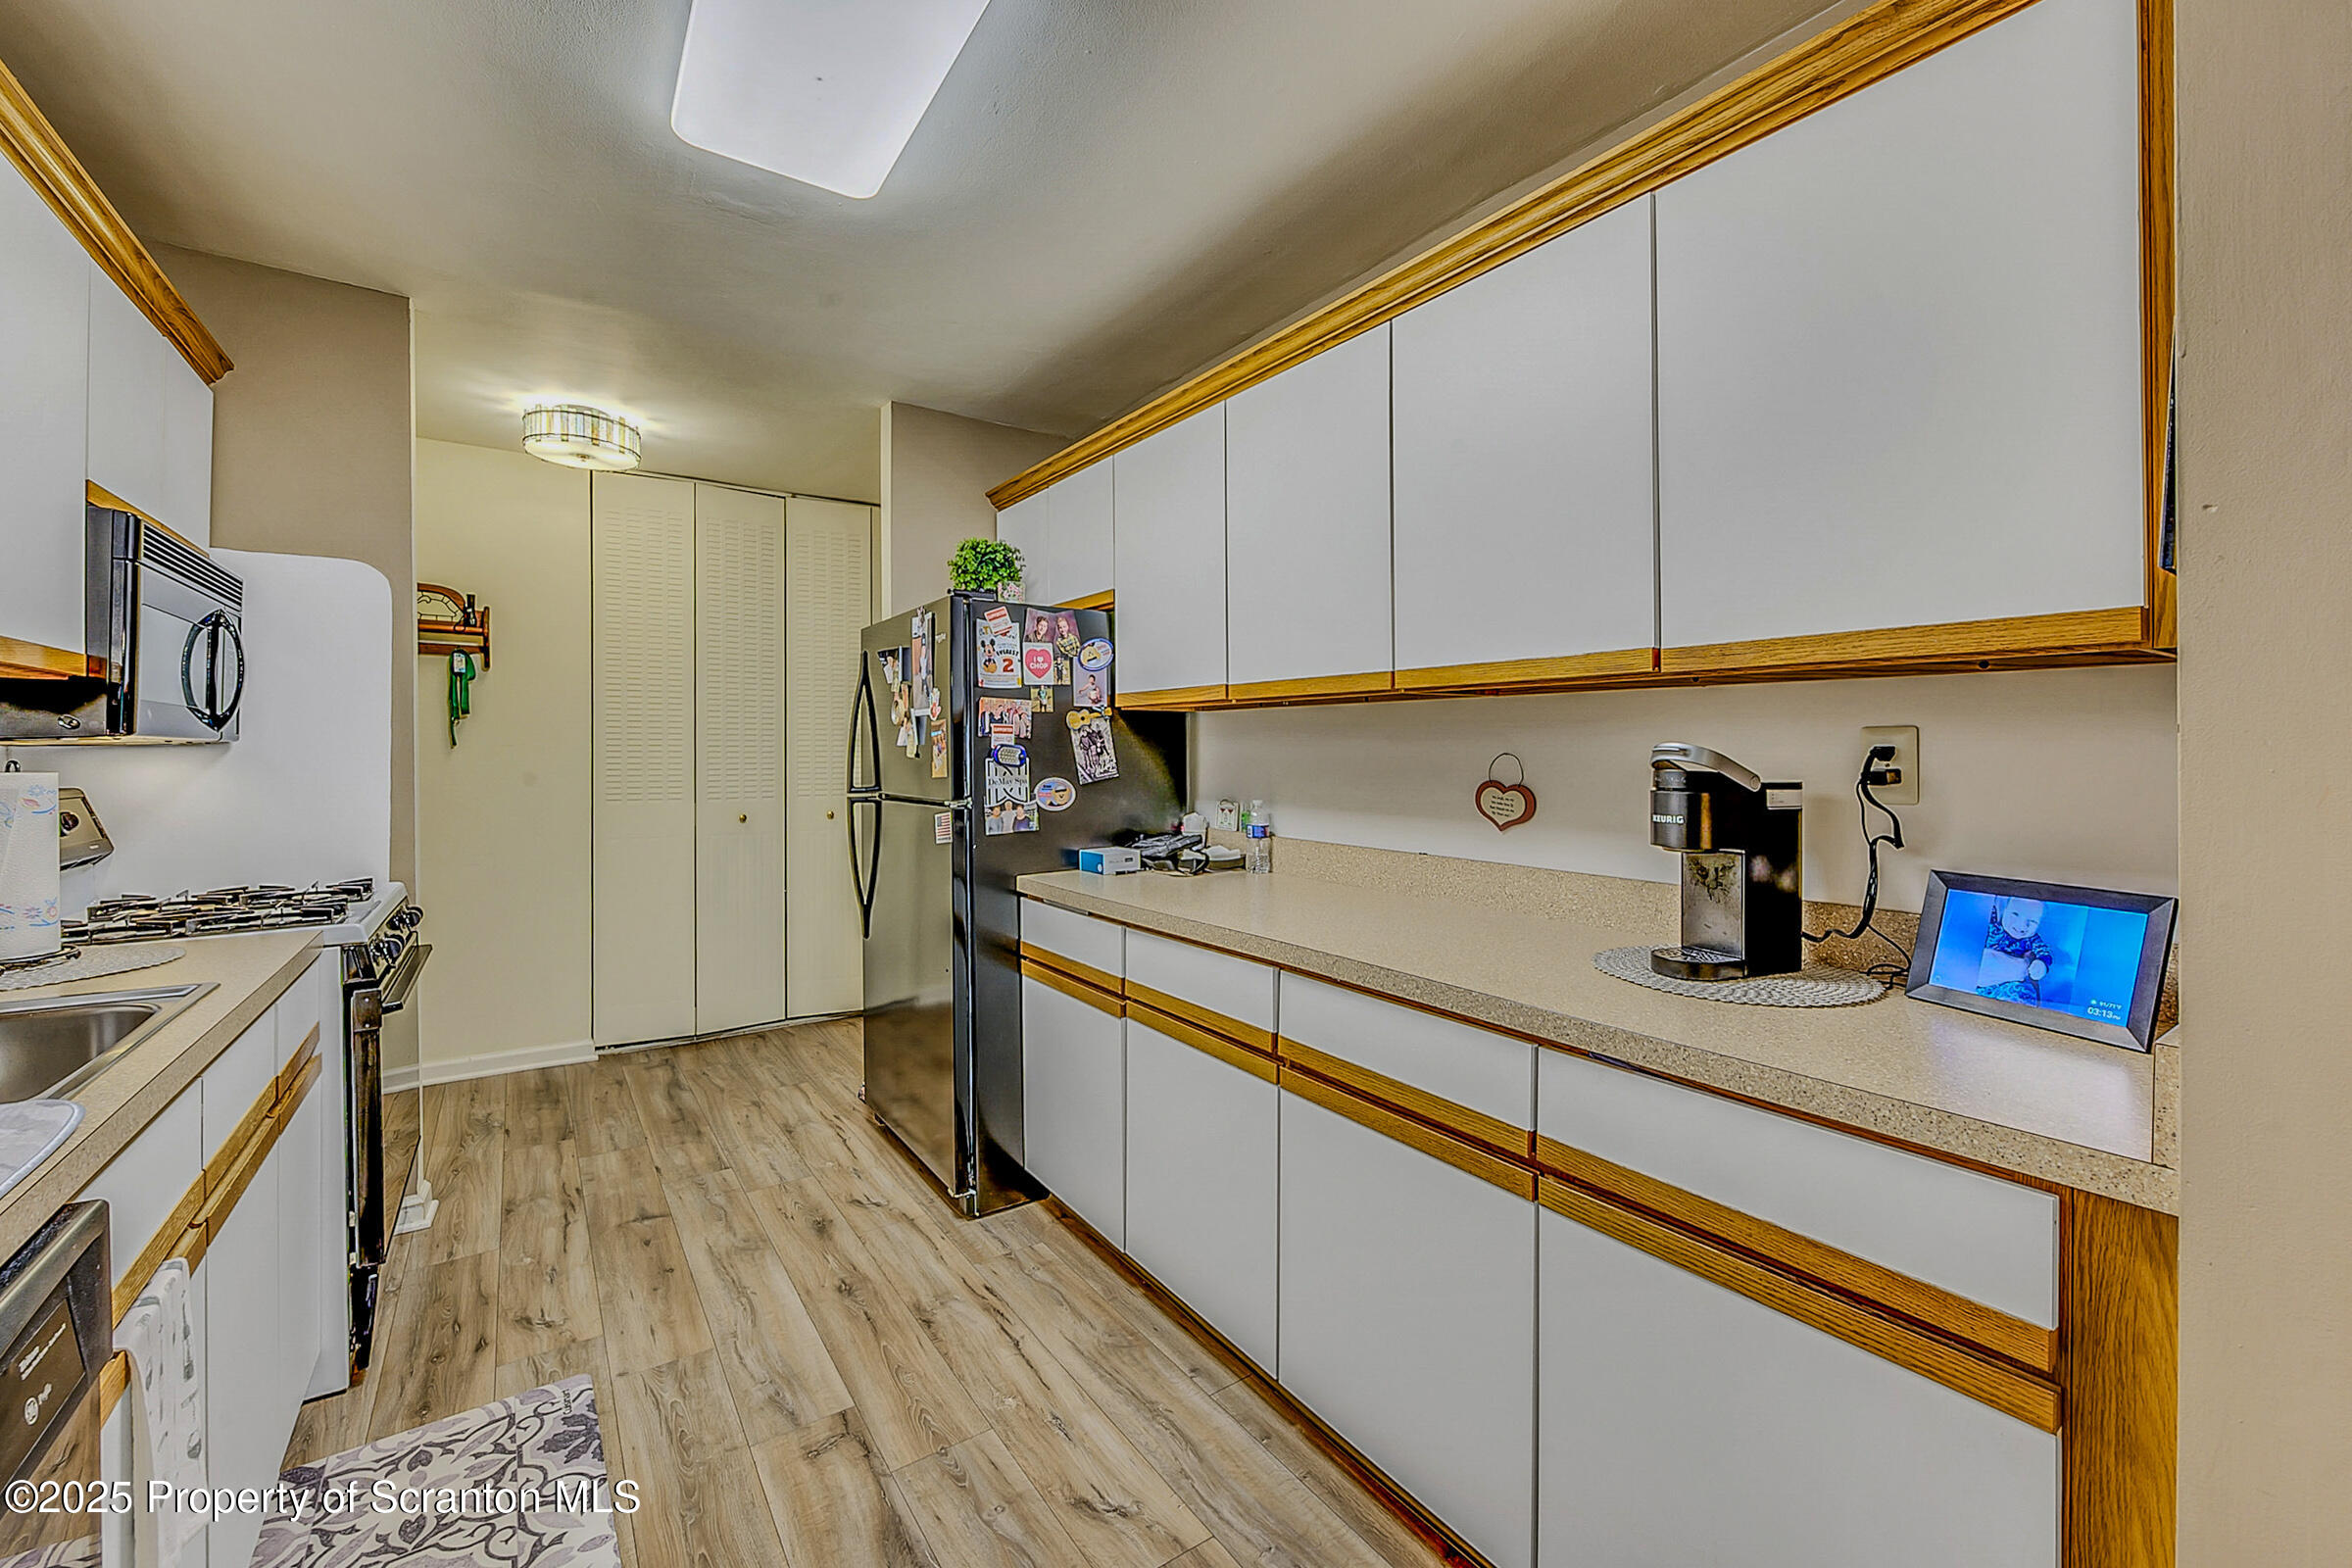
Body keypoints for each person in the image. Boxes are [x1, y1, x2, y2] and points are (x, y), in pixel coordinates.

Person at [1974, 897, 2054, 1004]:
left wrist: (2041, 964)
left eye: (2033, 922)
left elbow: (2044, 952)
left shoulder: (2032, 939)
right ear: (2003, 910)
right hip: (1979, 988)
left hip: (2009, 987)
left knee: (2022, 994)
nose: (2022, 925)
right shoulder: (1993, 927)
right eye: (2015, 914)